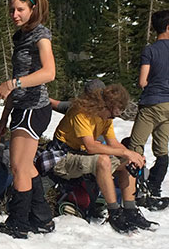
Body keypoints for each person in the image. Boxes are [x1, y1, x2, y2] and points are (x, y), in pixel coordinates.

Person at [43, 84, 155, 233]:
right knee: (103, 161)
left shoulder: (104, 116)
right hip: (61, 157)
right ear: (104, 106)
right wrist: (126, 153)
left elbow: (113, 142)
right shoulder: (81, 113)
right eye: (112, 115)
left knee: (129, 162)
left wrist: (132, 155)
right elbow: (90, 146)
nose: (112, 118)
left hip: (81, 155)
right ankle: (114, 212)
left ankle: (130, 209)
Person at [0, 0, 56, 238]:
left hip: (33, 108)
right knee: (26, 166)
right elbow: (18, 77)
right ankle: (41, 218)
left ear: (33, 9)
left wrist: (13, 84)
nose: (15, 15)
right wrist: (4, 117)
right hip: (21, 107)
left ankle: (19, 223)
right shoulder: (22, 36)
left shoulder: (41, 35)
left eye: (20, 9)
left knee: (18, 166)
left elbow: (49, 72)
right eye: (12, 10)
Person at [126, 9, 169, 207]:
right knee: (162, 149)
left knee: (136, 146)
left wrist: (156, 83)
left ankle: (134, 190)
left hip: (151, 104)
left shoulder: (150, 50)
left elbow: (142, 81)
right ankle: (154, 187)